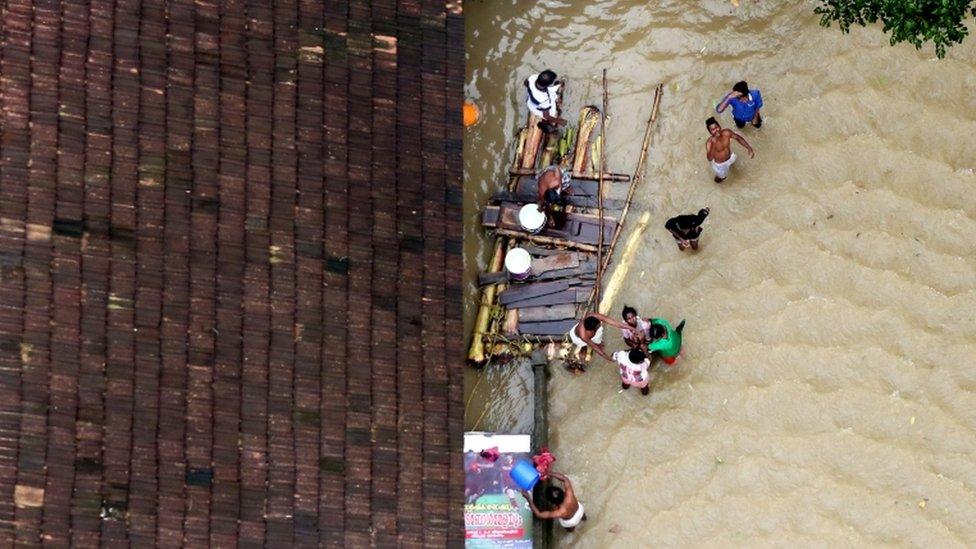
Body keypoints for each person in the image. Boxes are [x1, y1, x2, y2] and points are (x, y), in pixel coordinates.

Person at [521, 472, 586, 532]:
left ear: (552, 502)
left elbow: (539, 514)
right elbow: (565, 479)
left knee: (570, 528)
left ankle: (571, 530)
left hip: (571, 522)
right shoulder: (569, 494)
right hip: (580, 510)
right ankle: (584, 519)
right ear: (562, 493)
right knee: (582, 515)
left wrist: (528, 498)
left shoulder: (559, 512)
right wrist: (548, 473)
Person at [705, 117, 754, 183]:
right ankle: (718, 183)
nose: (716, 130)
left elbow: (737, 138)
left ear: (719, 126)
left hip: (730, 157)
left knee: (733, 165)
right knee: (721, 178)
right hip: (720, 165)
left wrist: (749, 148)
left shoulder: (726, 133)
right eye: (713, 129)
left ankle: (730, 166)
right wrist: (714, 144)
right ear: (710, 132)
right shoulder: (709, 143)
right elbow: (709, 158)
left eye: (717, 127)